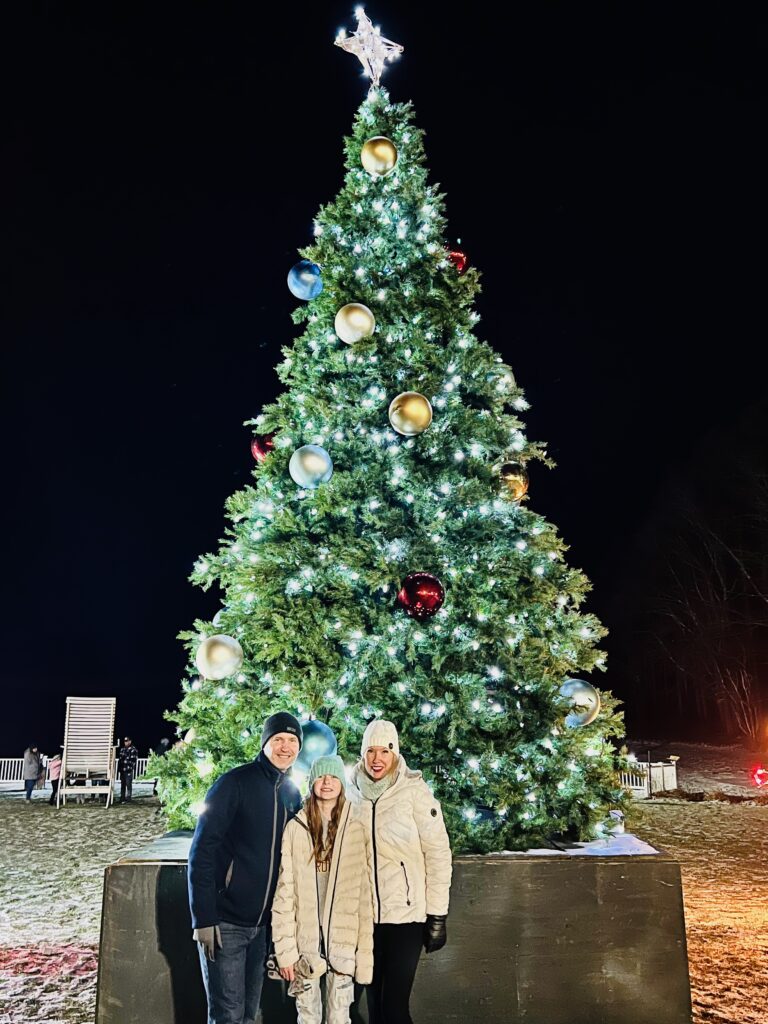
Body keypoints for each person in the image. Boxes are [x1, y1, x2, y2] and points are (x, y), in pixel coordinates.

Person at [188, 711, 303, 1024]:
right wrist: (204, 917)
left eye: (292, 741)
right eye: (278, 739)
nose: (285, 747)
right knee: (228, 1016)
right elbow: (202, 851)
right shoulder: (234, 783)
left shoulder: (292, 795)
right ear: (265, 743)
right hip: (225, 924)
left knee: (250, 1015)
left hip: (264, 929)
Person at [347, 720, 452, 1024]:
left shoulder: (415, 792)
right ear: (362, 754)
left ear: (395, 753)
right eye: (370, 751)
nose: (377, 759)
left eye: (384, 751)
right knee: (375, 1008)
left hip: (406, 919)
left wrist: (437, 915)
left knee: (393, 1009)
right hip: (364, 919)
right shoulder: (352, 792)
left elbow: (437, 854)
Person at [272, 755, 373, 1024]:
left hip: (343, 944)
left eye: (333, 777)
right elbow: (284, 892)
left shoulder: (355, 827)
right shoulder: (296, 828)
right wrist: (285, 951)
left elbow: (364, 897)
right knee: (307, 1017)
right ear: (312, 782)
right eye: (321, 776)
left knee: (340, 1017)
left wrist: (363, 956)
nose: (327, 782)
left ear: (341, 782)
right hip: (306, 946)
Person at [117, 736, 139, 803]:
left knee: (128, 784)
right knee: (122, 784)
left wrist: (126, 761)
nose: (125, 742)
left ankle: (128, 798)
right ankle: (122, 798)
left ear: (130, 741)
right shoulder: (122, 749)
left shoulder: (133, 749)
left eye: (127, 741)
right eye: (125, 741)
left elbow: (133, 761)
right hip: (122, 770)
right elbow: (120, 759)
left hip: (128, 770)